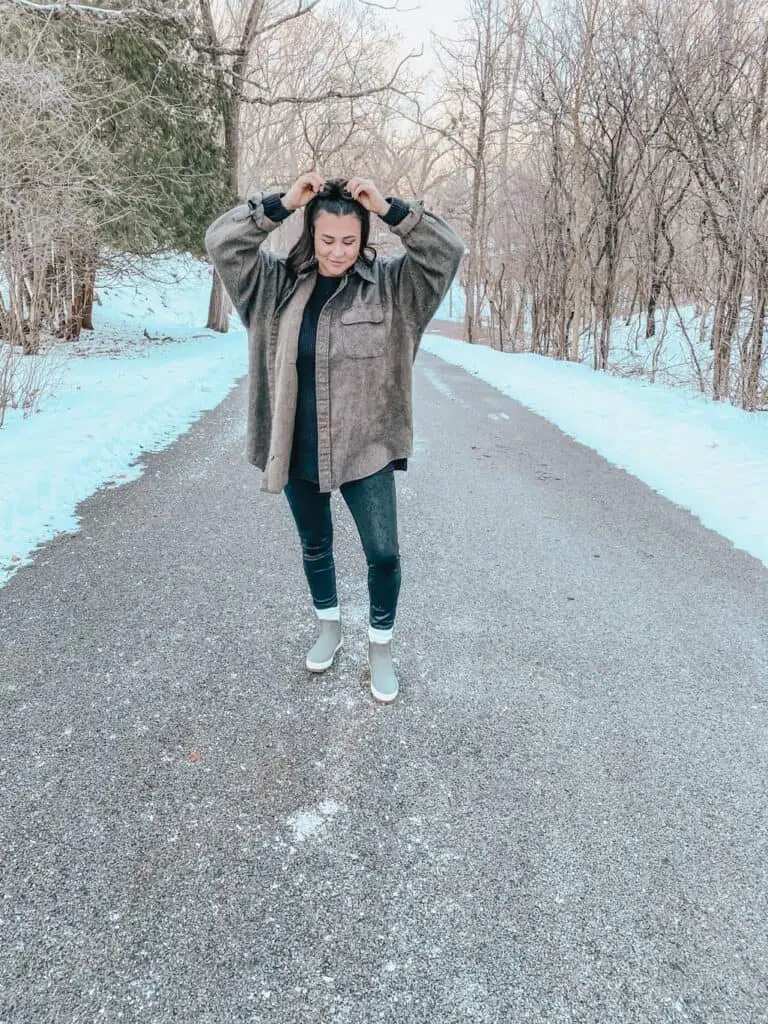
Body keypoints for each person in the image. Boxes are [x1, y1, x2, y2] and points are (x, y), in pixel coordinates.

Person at [205, 172, 464, 703]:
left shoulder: (395, 289)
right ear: (310, 232)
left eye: (350, 240)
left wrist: (391, 209)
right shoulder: (270, 285)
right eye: (327, 240)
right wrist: (279, 204)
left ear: (364, 237)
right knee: (315, 543)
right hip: (297, 442)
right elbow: (221, 241)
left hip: (365, 447)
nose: (339, 252)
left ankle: (381, 645)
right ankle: (328, 626)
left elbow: (447, 251)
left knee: (384, 554)